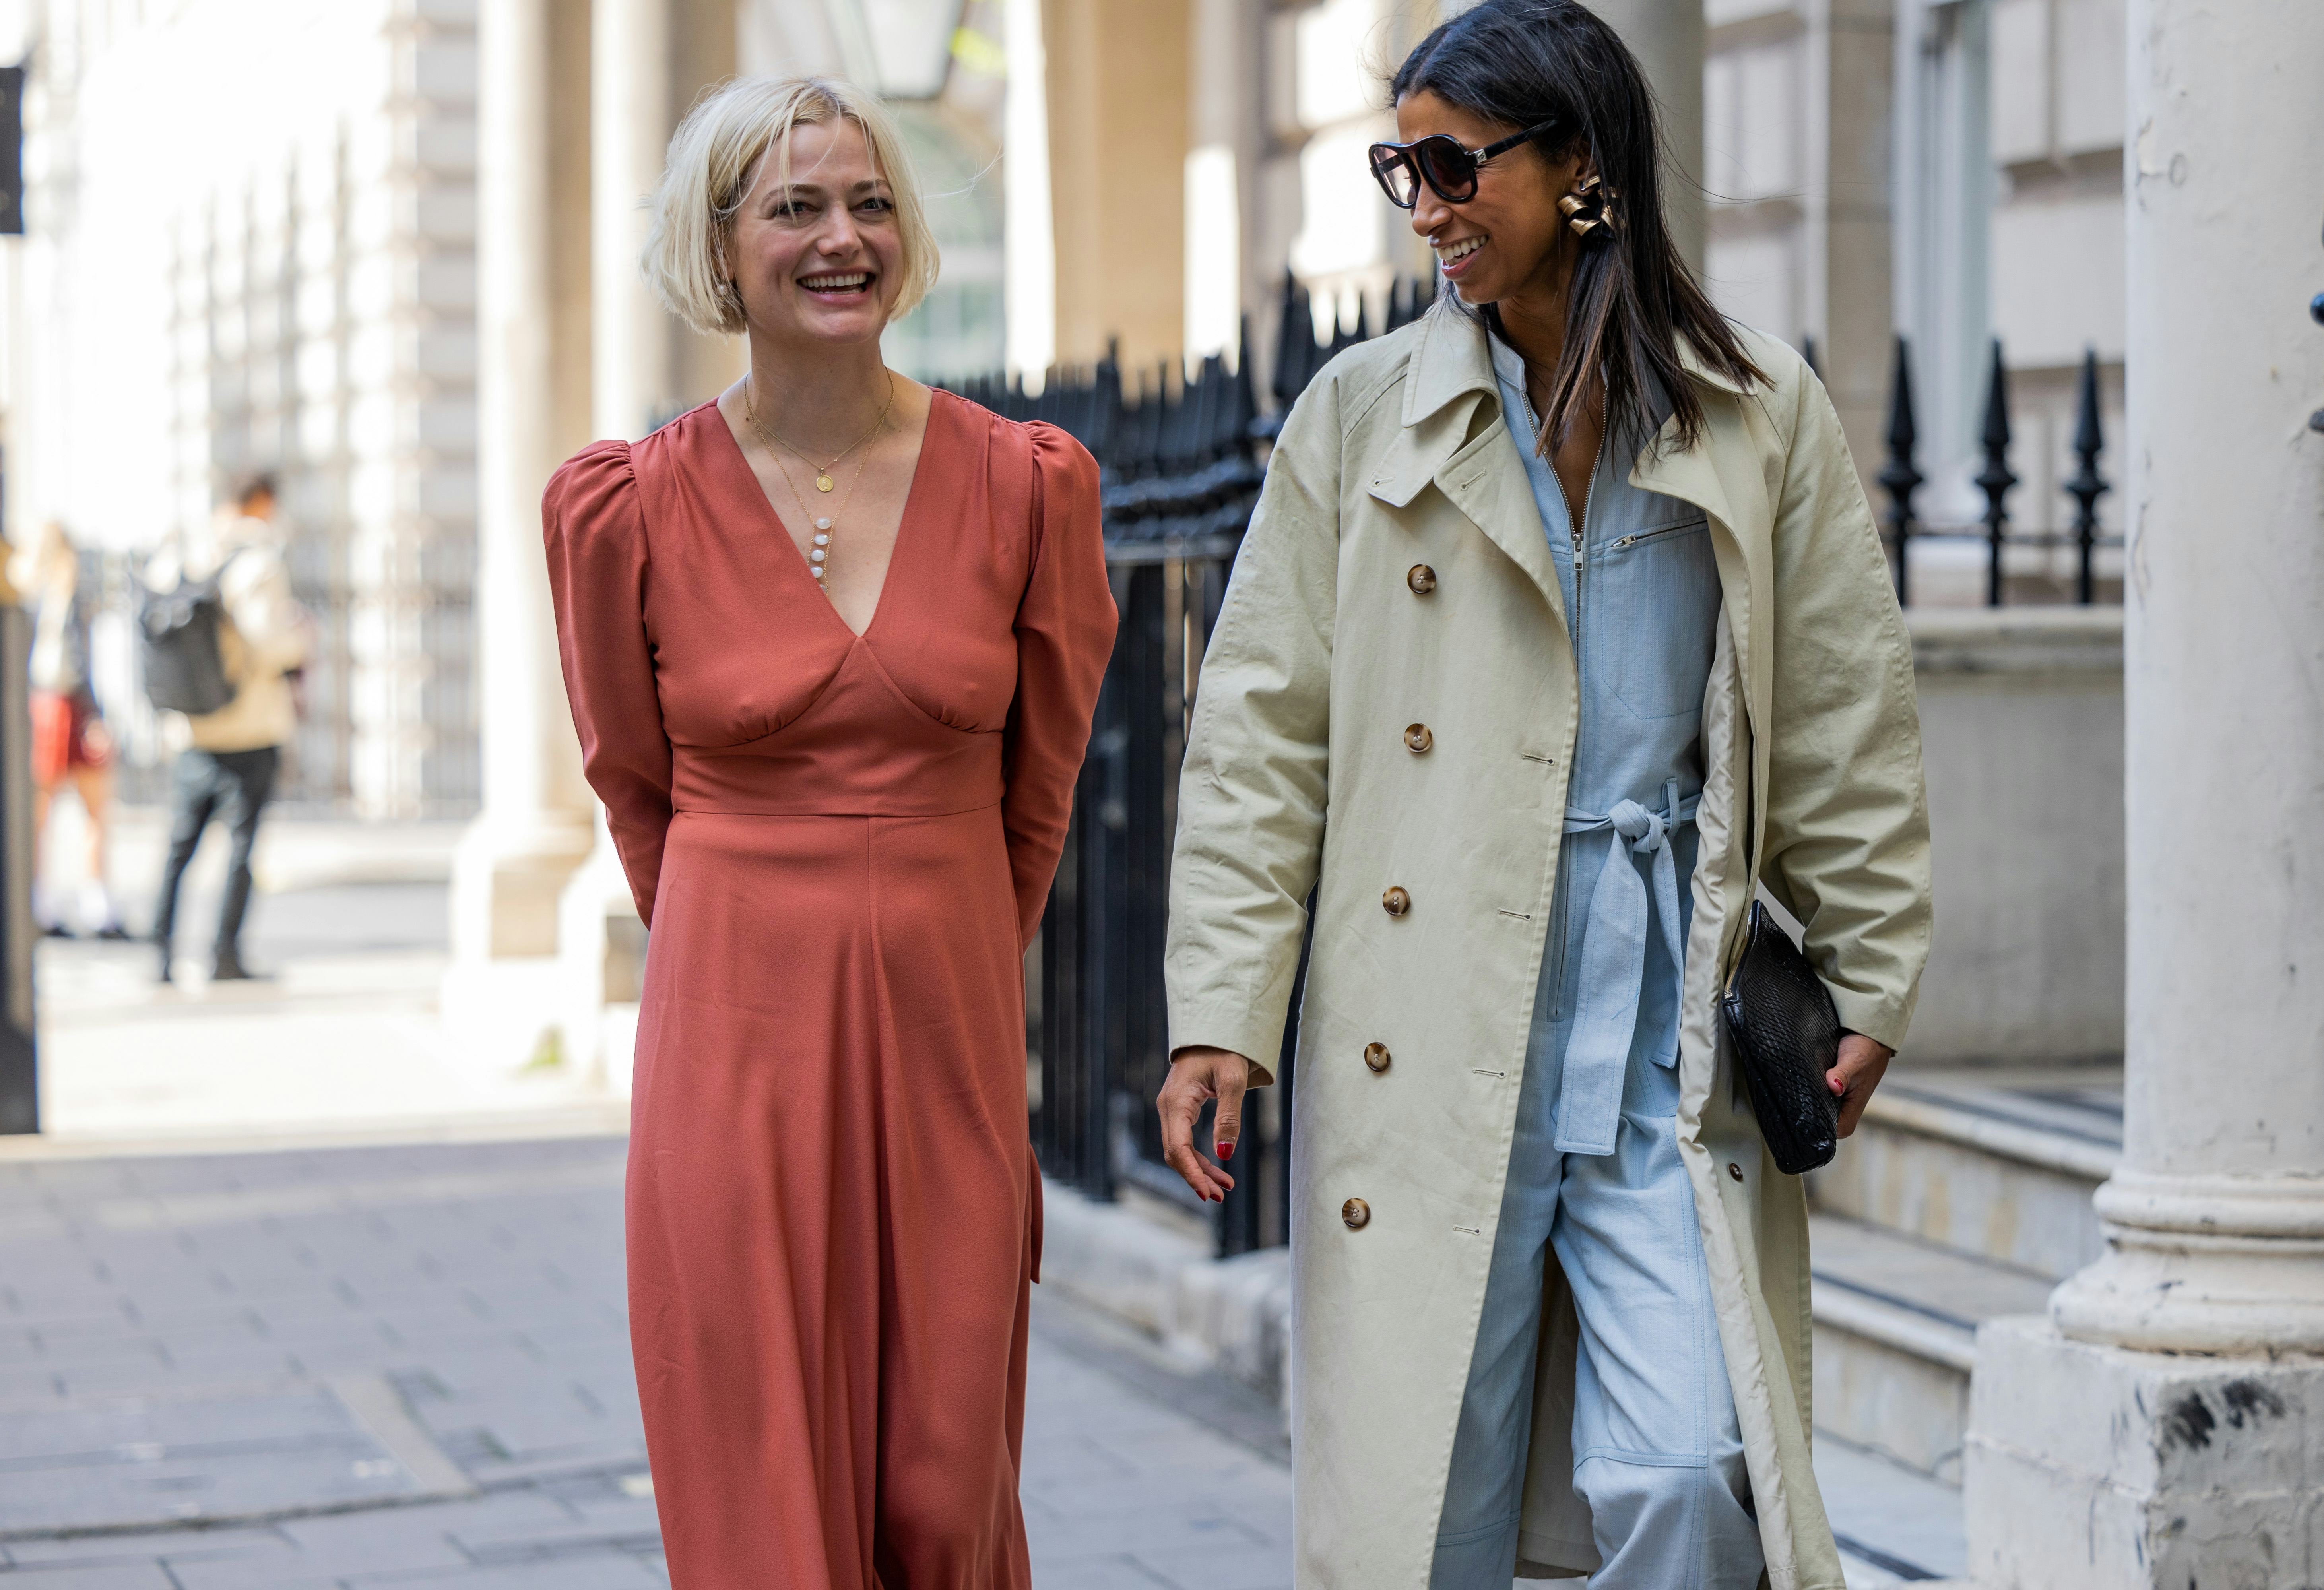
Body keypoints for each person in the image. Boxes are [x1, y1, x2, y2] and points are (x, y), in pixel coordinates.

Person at [1159, 4, 1932, 1587]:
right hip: (1429, 996)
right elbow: (1262, 731)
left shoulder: (1752, 407)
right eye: (1402, 168)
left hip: (1660, 1000)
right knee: (1423, 1489)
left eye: (1454, 165)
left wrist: (1873, 973)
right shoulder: (1360, 417)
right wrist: (1221, 1010)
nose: (1426, 208)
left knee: (1689, 1470)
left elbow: (1847, 708)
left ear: (1580, 162)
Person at [543, 75, 1114, 1588]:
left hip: (947, 1025)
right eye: (795, 206)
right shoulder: (621, 508)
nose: (840, 236)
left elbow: (1041, 787)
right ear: (721, 246)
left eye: (869, 202)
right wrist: (752, 951)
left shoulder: (1024, 483)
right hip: (732, 1038)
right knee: (761, 1498)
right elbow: (628, 779)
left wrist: (941, 956)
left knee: (943, 1486)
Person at [148, 472, 311, 982]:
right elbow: (269, 640)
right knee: (240, 849)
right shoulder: (258, 562)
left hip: (191, 728)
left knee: (180, 847)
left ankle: (162, 955)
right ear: (261, 502)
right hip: (249, 728)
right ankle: (225, 955)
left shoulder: (180, 554)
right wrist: (301, 636)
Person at [16, 521, 128, 939]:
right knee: (93, 812)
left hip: (37, 707)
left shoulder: (26, 596)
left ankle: (42, 903)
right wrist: (96, 716)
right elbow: (81, 662)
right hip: (68, 707)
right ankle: (95, 905)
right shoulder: (66, 595)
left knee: (40, 817)